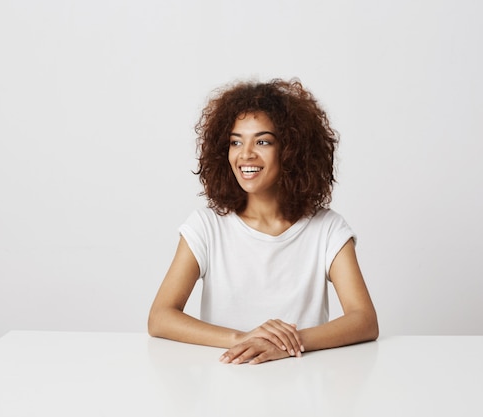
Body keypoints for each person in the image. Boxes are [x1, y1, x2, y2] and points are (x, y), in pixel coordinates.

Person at [148, 78, 378, 365]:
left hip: (304, 385)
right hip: (225, 382)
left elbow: (364, 319)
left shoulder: (327, 228)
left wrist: (291, 343)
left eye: (263, 141)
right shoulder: (206, 226)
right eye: (235, 142)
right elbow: (160, 317)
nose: (245, 154)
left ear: (292, 150)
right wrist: (243, 339)